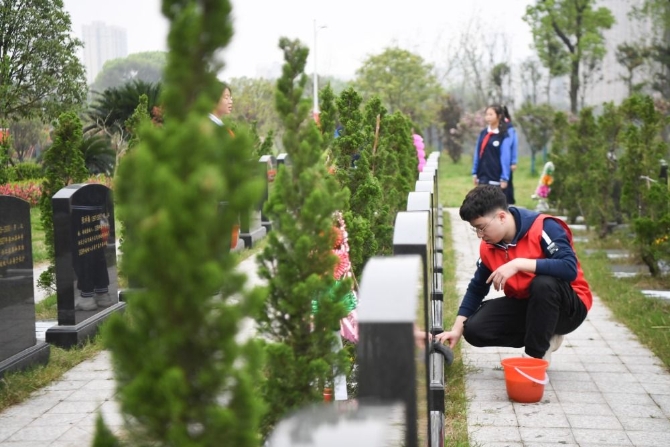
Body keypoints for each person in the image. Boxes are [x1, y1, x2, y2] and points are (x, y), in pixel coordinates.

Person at [436, 185, 592, 364]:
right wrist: (456, 330)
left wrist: (518, 264)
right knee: (474, 329)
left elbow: (569, 268)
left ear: (502, 217)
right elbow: (477, 288)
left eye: (481, 227)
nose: (479, 235)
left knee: (543, 283)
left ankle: (534, 358)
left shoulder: (544, 227)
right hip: (530, 305)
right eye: (475, 229)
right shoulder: (489, 247)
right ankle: (545, 336)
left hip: (568, 308)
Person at [471, 105, 513, 204]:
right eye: (487, 114)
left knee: (495, 205)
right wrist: (475, 173)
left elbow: (505, 158)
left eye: (491, 114)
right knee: (482, 204)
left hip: (496, 177)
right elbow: (477, 153)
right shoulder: (483, 133)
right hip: (482, 176)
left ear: (499, 116)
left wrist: (504, 178)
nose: (488, 117)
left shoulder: (503, 135)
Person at [503, 106, 518, 205]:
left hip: (507, 161)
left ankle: (509, 202)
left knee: (508, 182)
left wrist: (513, 161)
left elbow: (513, 145)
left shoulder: (509, 128)